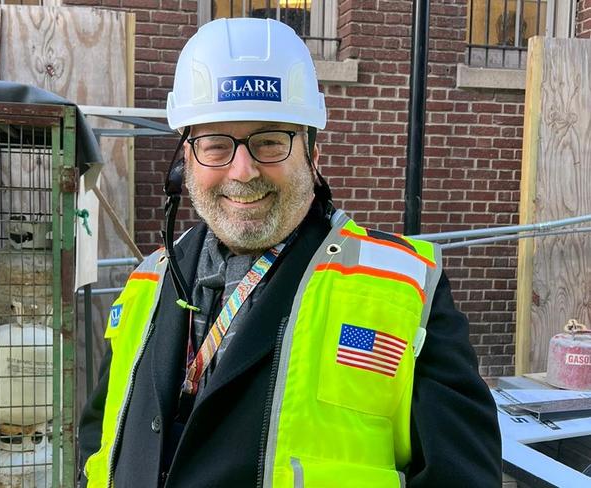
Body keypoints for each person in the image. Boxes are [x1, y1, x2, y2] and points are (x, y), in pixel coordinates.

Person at [78, 17, 502, 488]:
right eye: (216, 145)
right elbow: (98, 441)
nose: (243, 170)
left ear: (313, 154)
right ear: (187, 163)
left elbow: (465, 475)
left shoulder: (402, 292)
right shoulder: (148, 284)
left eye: (270, 142)